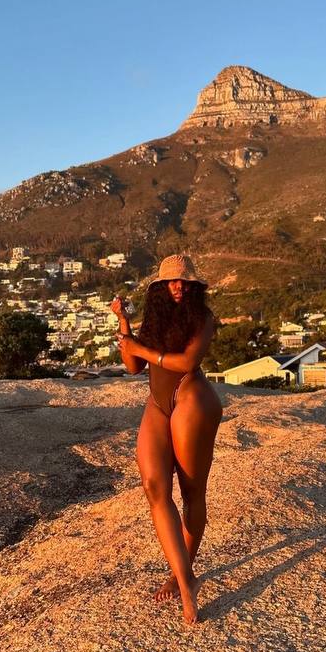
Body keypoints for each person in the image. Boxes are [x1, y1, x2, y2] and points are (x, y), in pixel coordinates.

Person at [111, 253, 222, 626]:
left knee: (191, 493)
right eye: (171, 281)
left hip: (192, 398)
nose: (178, 286)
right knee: (154, 487)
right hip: (157, 404)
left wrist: (142, 350)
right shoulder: (154, 319)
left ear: (193, 287)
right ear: (159, 287)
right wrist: (125, 324)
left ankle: (182, 577)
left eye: (184, 281)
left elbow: (187, 363)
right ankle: (185, 579)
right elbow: (133, 366)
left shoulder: (203, 318)